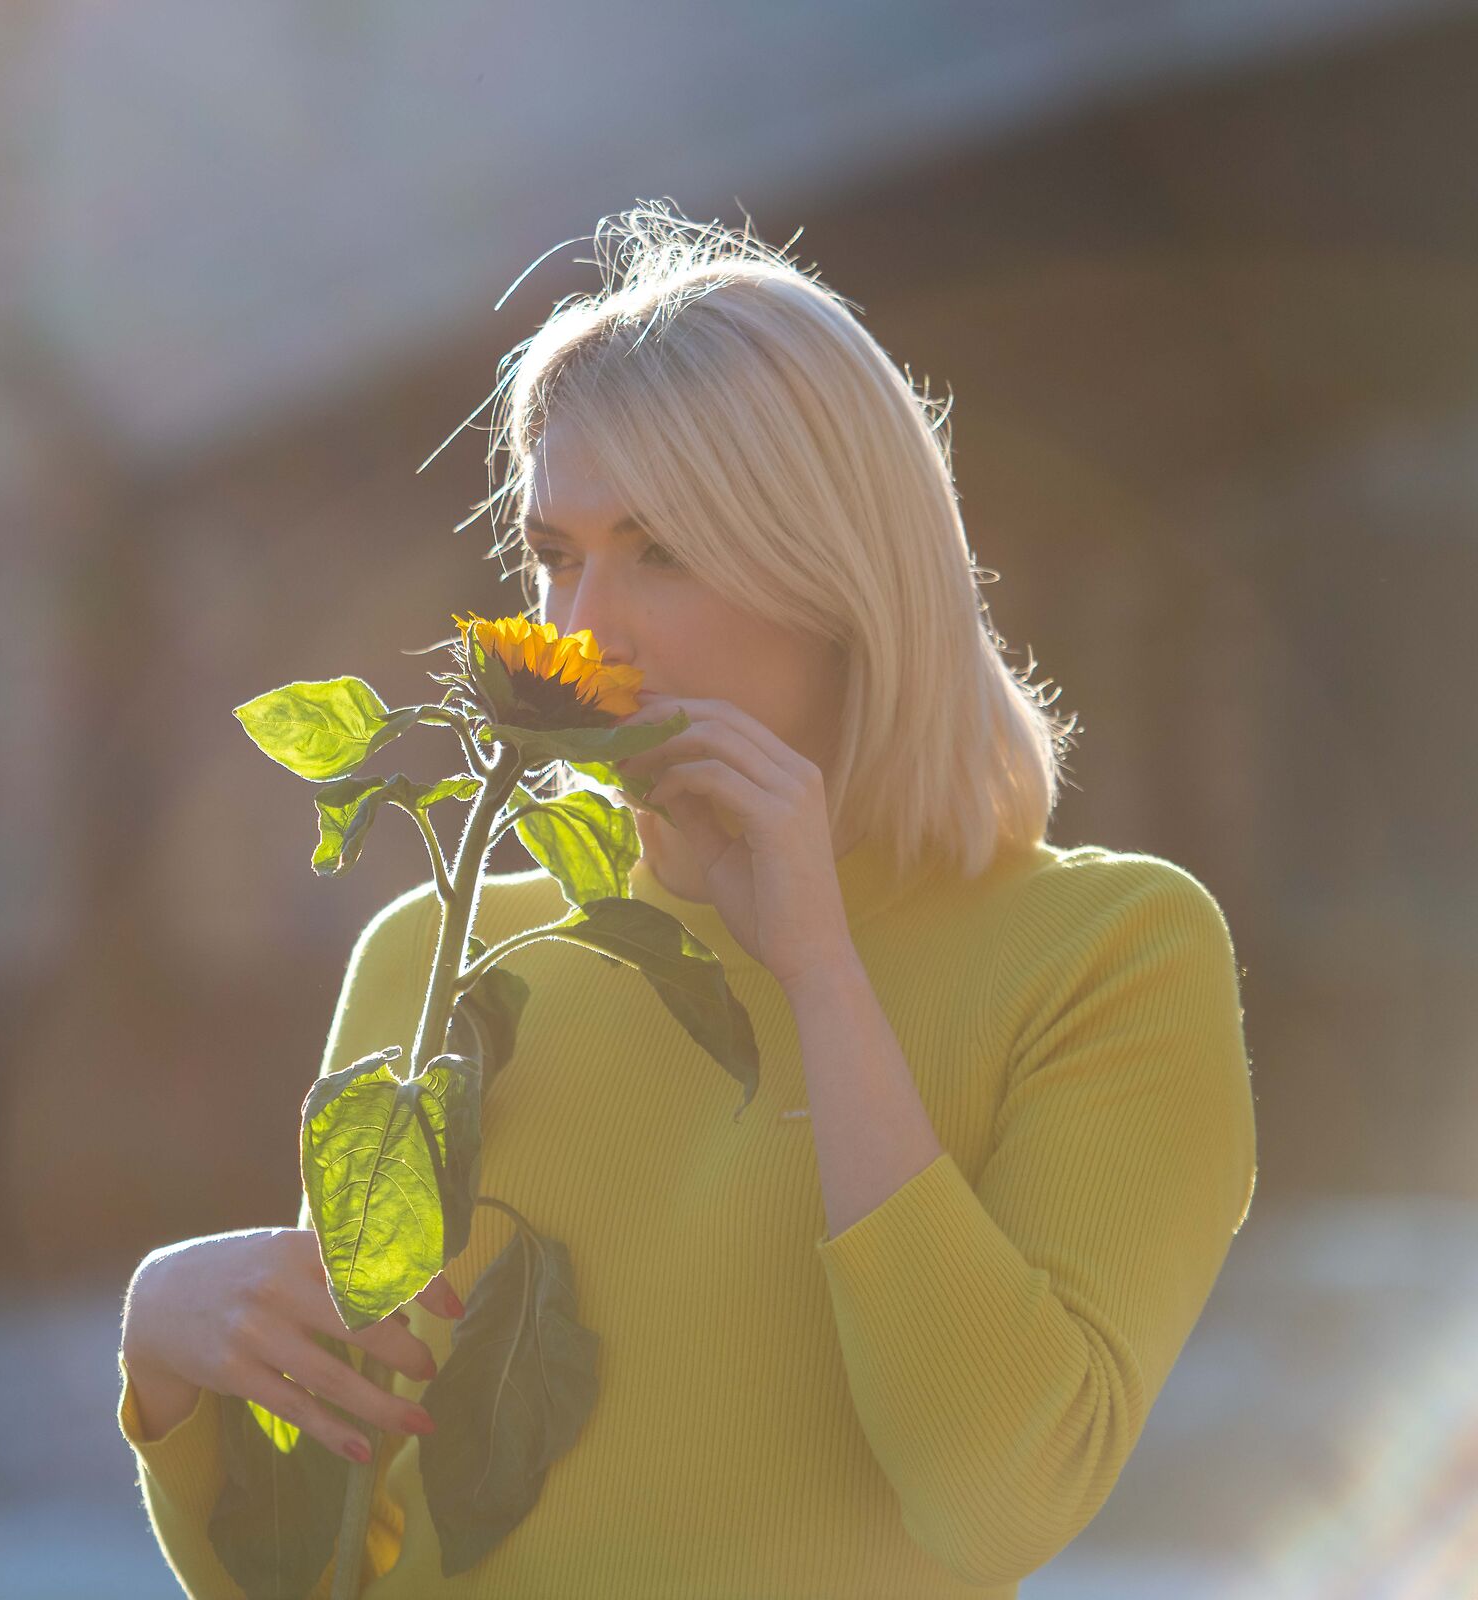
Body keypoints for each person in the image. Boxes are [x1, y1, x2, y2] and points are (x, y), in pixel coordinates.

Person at [115, 203, 1258, 1597]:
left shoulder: (1110, 958)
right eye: (555, 555)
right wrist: (166, 1352)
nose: (584, 629)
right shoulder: (441, 957)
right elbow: (332, 1567)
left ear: (841, 582)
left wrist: (818, 972)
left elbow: (994, 1496)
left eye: (663, 552)